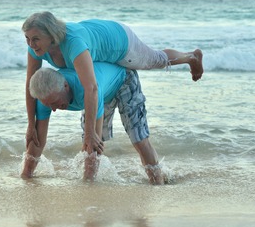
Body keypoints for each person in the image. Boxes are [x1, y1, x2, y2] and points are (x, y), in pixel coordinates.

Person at [22, 11, 203, 159]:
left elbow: (91, 88)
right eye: (27, 38)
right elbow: (31, 86)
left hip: (119, 44)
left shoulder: (73, 43)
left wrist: (90, 132)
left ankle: (190, 57)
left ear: (51, 35)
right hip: (100, 48)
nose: (31, 44)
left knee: (155, 60)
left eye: (35, 38)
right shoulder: (36, 49)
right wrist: (31, 124)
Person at [21, 62, 165, 184]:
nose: (53, 110)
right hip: (102, 88)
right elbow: (38, 142)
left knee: (137, 137)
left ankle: (158, 182)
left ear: (66, 86)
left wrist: (87, 188)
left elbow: (94, 142)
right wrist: (26, 176)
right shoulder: (45, 99)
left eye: (55, 103)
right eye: (48, 105)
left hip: (123, 80)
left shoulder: (85, 90)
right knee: (86, 140)